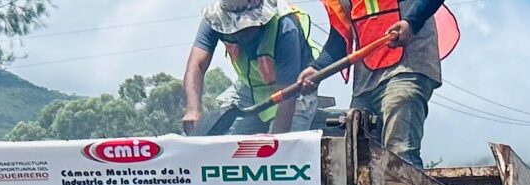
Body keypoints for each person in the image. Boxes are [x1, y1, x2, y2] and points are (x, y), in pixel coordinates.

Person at [304, 0, 453, 168]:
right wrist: (317, 68)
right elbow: (339, 38)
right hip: (366, 82)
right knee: (357, 157)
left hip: (406, 67)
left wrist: (411, 23)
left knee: (399, 155)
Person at [182, 1, 319, 137]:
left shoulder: (284, 26)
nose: (241, 33)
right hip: (249, 87)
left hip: (293, 89)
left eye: (247, 27)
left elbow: (286, 99)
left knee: (287, 144)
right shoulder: (215, 18)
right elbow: (196, 65)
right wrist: (193, 110)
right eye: (235, 28)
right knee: (219, 129)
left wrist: (276, 148)